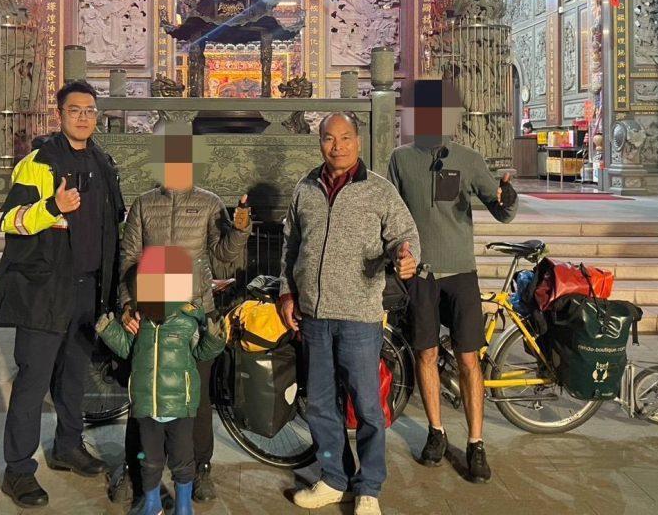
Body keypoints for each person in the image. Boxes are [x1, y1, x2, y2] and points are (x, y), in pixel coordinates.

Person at [278, 112, 420, 515]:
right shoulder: (305, 188)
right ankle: (334, 479)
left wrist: (406, 256)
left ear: (358, 142)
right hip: (314, 316)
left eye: (344, 138)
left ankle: (369, 487)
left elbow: (405, 236)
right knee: (321, 405)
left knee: (368, 407)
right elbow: (291, 247)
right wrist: (287, 293)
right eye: (328, 138)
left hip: (359, 315)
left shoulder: (378, 190)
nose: (336, 146)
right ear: (320, 142)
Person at [0, 80, 125, 509]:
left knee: (74, 376)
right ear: (60, 115)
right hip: (45, 289)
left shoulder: (103, 161)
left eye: (89, 110)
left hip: (88, 288)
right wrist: (53, 208)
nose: (83, 117)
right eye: (75, 110)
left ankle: (67, 446)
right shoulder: (38, 163)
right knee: (32, 382)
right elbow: (10, 220)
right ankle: (18, 469)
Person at [387, 78, 519, 484]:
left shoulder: (469, 158)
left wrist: (508, 197)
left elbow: (501, 211)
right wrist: (396, 253)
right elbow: (391, 216)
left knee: (468, 358)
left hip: (461, 272)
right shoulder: (400, 159)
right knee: (426, 354)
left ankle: (476, 442)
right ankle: (436, 431)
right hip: (421, 275)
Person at [112, 125, 252, 508]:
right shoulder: (143, 204)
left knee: (196, 398)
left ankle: (199, 468)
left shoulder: (209, 203)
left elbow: (224, 256)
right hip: (150, 314)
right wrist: (128, 304)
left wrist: (240, 229)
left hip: (194, 312)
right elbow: (129, 259)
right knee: (145, 396)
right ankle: (136, 469)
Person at [97, 246, 228, 515]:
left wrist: (215, 339)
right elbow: (128, 350)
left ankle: (183, 506)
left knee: (183, 460)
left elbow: (201, 353)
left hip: (179, 407)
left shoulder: (189, 321)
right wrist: (109, 331)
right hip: (148, 407)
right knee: (150, 460)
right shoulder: (141, 320)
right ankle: (152, 503)